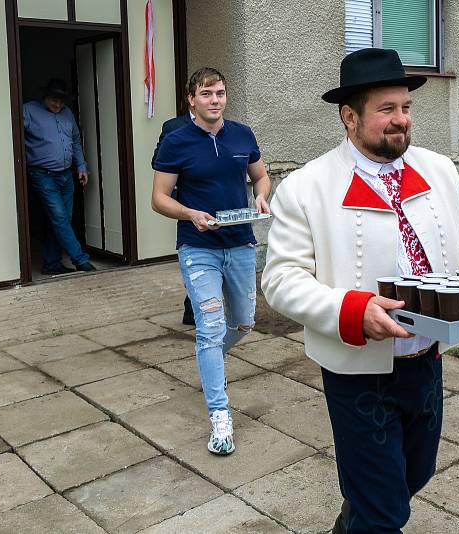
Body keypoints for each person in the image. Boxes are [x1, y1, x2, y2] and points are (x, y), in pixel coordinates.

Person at [261, 48, 459, 533]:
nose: (401, 121)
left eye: (406, 108)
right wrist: (354, 310)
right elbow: (281, 281)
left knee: (413, 475)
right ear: (350, 118)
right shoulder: (306, 187)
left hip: (425, 361)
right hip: (358, 372)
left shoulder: (439, 170)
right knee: (384, 511)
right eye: (386, 110)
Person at [151, 67, 271, 455]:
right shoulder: (176, 141)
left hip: (239, 242)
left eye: (219, 93)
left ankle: (209, 363)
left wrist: (261, 196)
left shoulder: (242, 134)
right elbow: (159, 198)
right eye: (206, 94)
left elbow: (260, 177)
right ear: (192, 99)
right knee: (210, 326)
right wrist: (189, 214)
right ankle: (220, 417)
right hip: (197, 246)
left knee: (244, 323)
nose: (214, 100)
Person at [23, 78, 96, 275]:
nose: (58, 104)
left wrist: (81, 165)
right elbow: (12, 136)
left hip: (66, 175)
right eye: (54, 100)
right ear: (45, 96)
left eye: (61, 101)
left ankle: (51, 263)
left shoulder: (67, 113)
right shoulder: (28, 110)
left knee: (60, 220)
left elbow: (75, 140)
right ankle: (81, 260)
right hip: (42, 175)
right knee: (60, 219)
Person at [152, 106, 195, 326]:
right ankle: (193, 307)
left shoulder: (223, 126)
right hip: (186, 201)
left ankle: (193, 307)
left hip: (215, 200)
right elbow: (158, 161)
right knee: (195, 255)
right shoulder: (173, 127)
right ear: (191, 99)